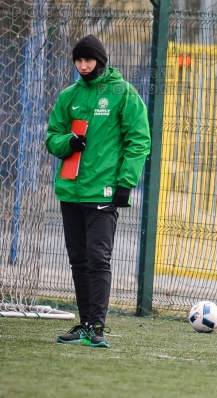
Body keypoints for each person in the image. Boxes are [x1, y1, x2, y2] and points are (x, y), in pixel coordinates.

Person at [46, 35, 151, 348]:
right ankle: (84, 323)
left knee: (98, 258)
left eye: (88, 60)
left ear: (101, 61)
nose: (82, 65)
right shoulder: (69, 95)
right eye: (78, 60)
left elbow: (139, 140)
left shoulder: (122, 92)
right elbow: (53, 136)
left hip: (103, 192)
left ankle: (97, 327)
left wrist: (125, 183)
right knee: (78, 259)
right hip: (70, 191)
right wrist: (68, 143)